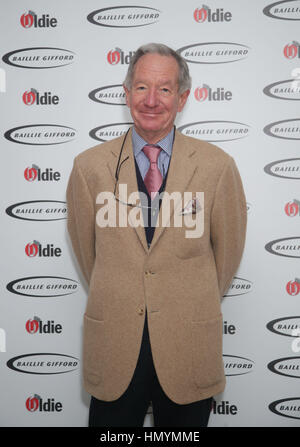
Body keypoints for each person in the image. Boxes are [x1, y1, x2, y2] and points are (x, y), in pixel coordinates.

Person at [66, 43, 247, 427]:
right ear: (126, 92)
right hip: (115, 346)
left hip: (188, 347)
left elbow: (226, 256)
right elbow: (88, 255)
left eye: (164, 89)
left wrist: (186, 294)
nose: (152, 100)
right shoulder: (89, 168)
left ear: (182, 98)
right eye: (142, 87)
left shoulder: (217, 167)